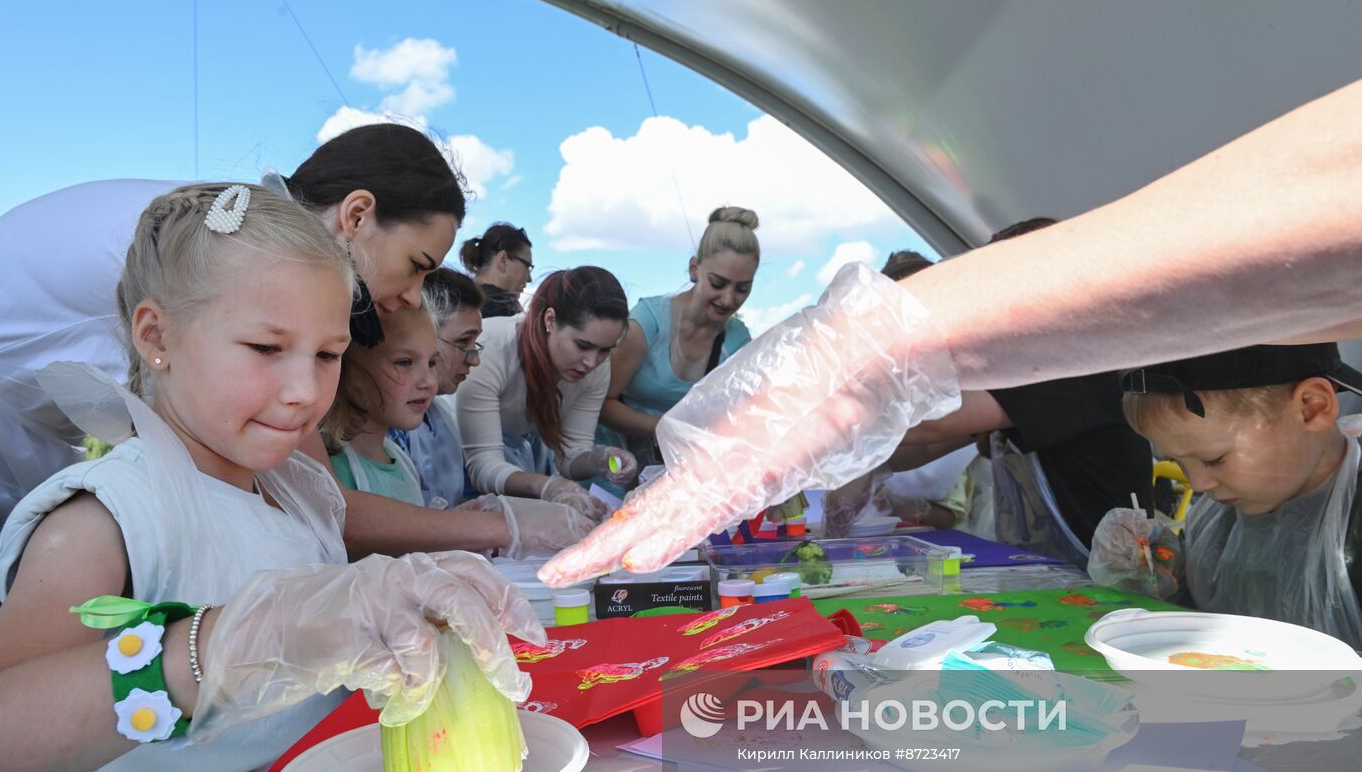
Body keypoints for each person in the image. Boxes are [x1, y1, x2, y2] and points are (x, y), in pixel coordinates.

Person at [537, 77, 1362, 585]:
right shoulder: (1224, 525)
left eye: (1206, 460)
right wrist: (864, 357)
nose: (1199, 482)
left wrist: (864, 365)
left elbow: (930, 431)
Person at [0, 184, 544, 772]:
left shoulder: (298, 491)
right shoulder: (112, 512)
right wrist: (224, 644)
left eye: (328, 354)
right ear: (157, 338)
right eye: (267, 347)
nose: (304, 390)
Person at [0, 122, 582, 574]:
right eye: (416, 266)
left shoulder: (237, 240)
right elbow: (314, 494)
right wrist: (503, 527)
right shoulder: (218, 253)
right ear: (356, 216)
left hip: (9, 456)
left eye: (327, 357)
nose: (409, 297)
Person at [826, 227, 1154, 567]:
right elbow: (921, 449)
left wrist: (826, 425)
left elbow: (932, 425)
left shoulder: (1068, 360)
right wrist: (862, 463)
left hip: (1112, 575)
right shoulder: (1021, 369)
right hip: (1052, 565)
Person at [1088, 343, 1362, 647]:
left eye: (1214, 459)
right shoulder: (1222, 513)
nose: (1199, 483)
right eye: (1177, 462)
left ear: (1312, 407)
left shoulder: (1352, 528)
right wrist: (1164, 573)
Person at [453, 267, 639, 521]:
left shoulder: (596, 367)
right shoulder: (491, 350)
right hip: (454, 457)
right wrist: (548, 486)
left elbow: (570, 455)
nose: (591, 362)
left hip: (512, 467)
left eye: (605, 350)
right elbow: (483, 465)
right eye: (582, 345)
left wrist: (599, 460)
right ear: (550, 320)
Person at [597, 207, 757, 473]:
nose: (728, 299)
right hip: (611, 462)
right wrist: (666, 427)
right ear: (694, 269)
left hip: (675, 468)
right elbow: (601, 403)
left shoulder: (737, 342)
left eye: (742, 288)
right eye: (718, 283)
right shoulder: (649, 321)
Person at [323, 304, 440, 505]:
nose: (428, 381)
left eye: (431, 363)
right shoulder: (331, 467)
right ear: (349, 373)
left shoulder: (399, 457)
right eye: (404, 362)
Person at [405, 266, 485, 508]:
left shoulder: (442, 417)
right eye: (463, 341)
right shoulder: (391, 427)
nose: (475, 359)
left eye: (476, 342)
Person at [458, 222, 534, 318]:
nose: (530, 279)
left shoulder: (455, 298)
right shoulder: (504, 306)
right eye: (527, 266)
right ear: (503, 260)